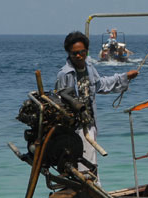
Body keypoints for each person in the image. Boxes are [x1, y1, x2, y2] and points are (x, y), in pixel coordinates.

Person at [55, 31, 138, 175]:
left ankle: (91, 190)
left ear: (87, 51)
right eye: (75, 53)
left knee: (91, 163)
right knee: (82, 166)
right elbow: (59, 101)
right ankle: (89, 191)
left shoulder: (89, 68)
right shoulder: (65, 74)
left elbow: (100, 85)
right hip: (75, 128)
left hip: (90, 124)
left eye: (82, 52)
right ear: (69, 54)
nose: (79, 56)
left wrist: (125, 77)